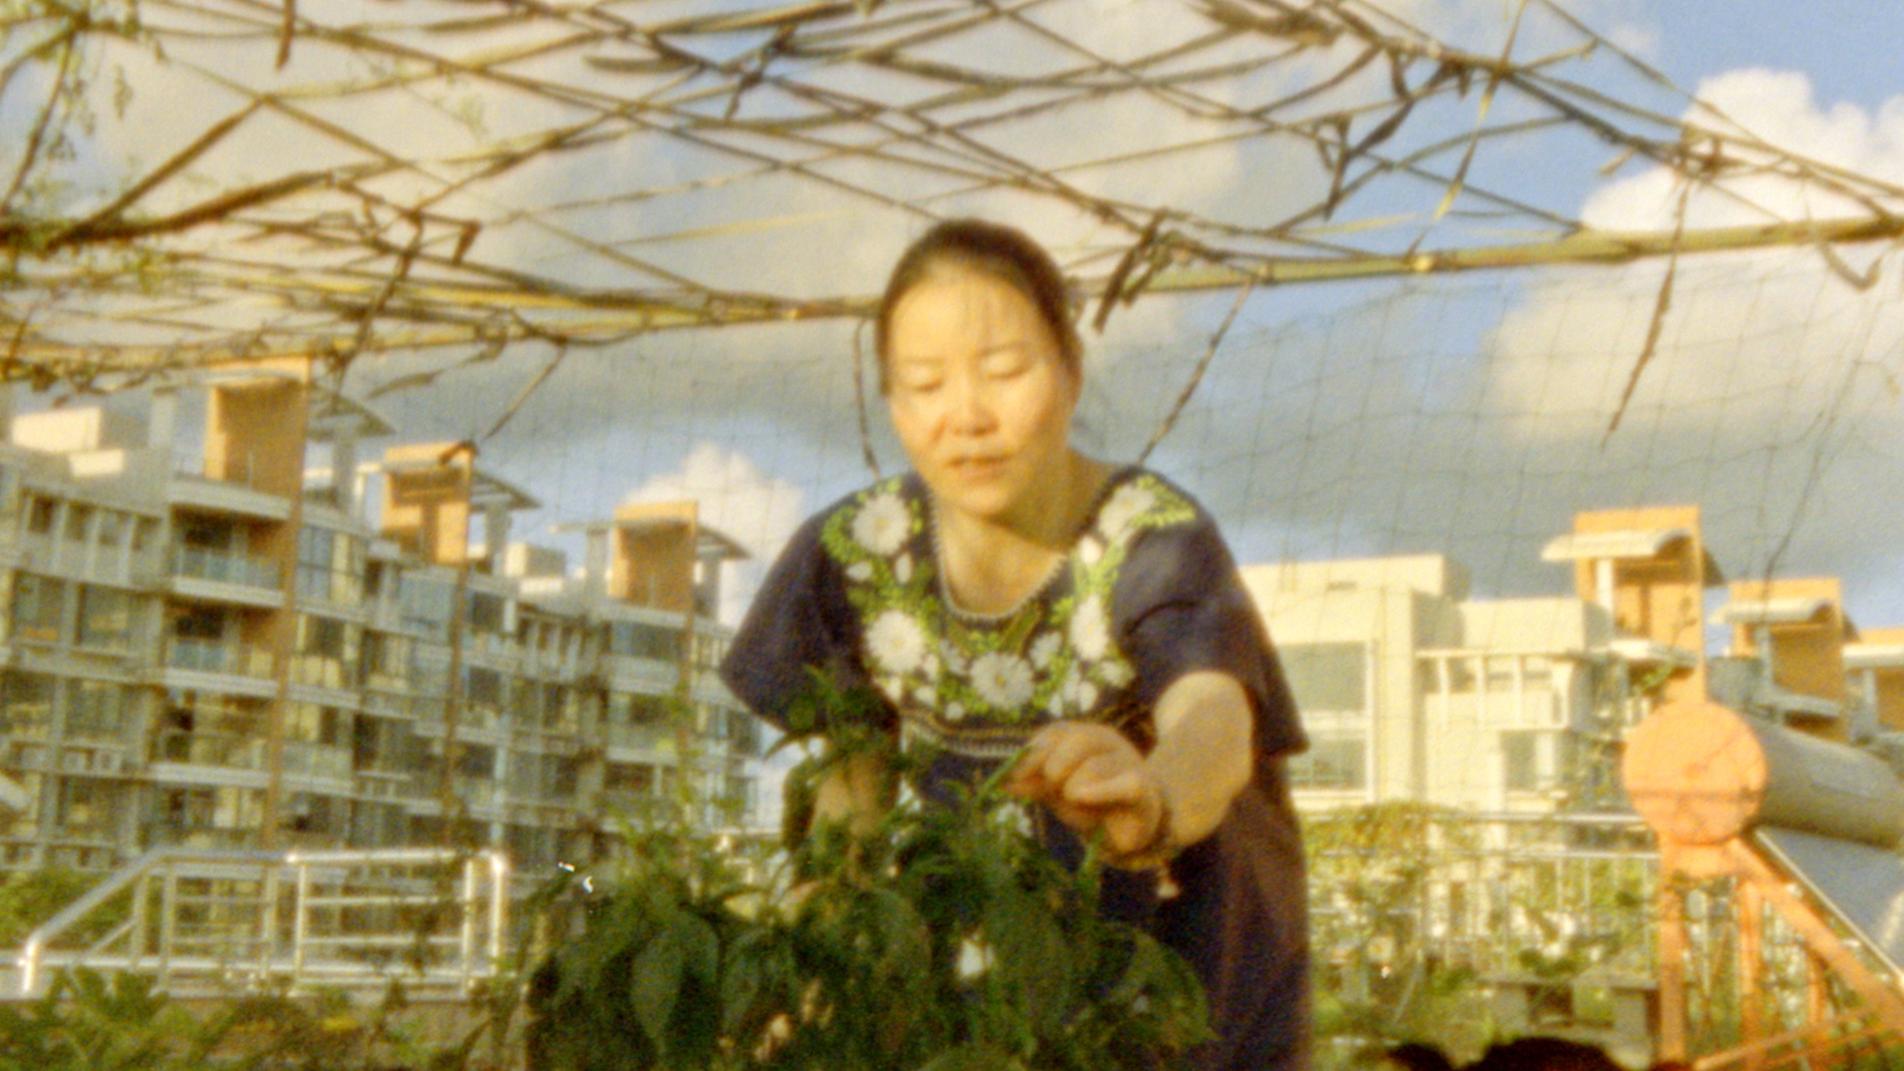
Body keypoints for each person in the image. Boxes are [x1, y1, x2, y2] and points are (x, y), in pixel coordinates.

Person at [719, 217, 1311, 1071]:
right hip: (991, 994)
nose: (966, 415)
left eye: (1004, 371)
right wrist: (819, 969)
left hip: (1192, 975)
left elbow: (1215, 722)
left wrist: (1151, 800)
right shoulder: (853, 553)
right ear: (891, 400)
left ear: (1070, 370)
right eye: (923, 384)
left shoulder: (1151, 540)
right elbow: (851, 792)